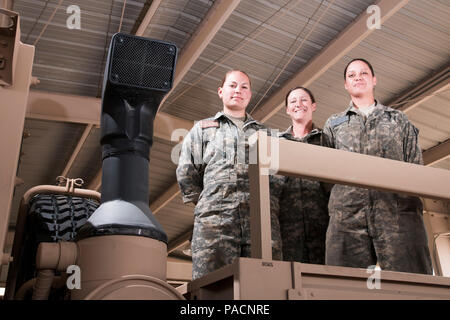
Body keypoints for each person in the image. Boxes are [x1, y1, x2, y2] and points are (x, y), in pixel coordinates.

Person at [322, 58, 432, 274]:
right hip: (348, 217)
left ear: (374, 80)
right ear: (345, 85)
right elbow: (326, 176)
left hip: (396, 215)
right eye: (351, 75)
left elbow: (415, 164)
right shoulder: (334, 124)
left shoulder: (398, 120)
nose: (358, 78)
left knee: (412, 282)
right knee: (344, 285)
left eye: (363, 73)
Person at [176, 70, 282, 280]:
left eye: (244, 87)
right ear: (221, 91)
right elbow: (187, 174)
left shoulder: (267, 134)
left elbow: (278, 180)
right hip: (215, 227)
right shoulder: (203, 130)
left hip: (260, 227)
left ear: (250, 95)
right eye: (233, 85)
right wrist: (213, 203)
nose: (238, 91)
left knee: (264, 287)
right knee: (212, 287)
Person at [277, 87, 329, 264]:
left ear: (313, 106)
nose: (298, 104)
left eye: (304, 100)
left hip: (324, 226)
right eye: (293, 101)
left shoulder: (327, 140)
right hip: (287, 229)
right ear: (287, 109)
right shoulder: (275, 143)